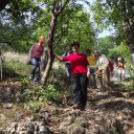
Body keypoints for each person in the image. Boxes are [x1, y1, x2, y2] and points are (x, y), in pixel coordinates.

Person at [53, 41, 90, 109]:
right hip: (74, 74)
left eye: (76, 48)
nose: (75, 49)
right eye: (73, 48)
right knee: (75, 88)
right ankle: (77, 103)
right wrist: (53, 53)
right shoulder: (70, 56)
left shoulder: (83, 55)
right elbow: (61, 59)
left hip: (83, 73)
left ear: (79, 48)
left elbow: (87, 64)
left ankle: (83, 104)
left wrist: (88, 71)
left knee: (83, 89)